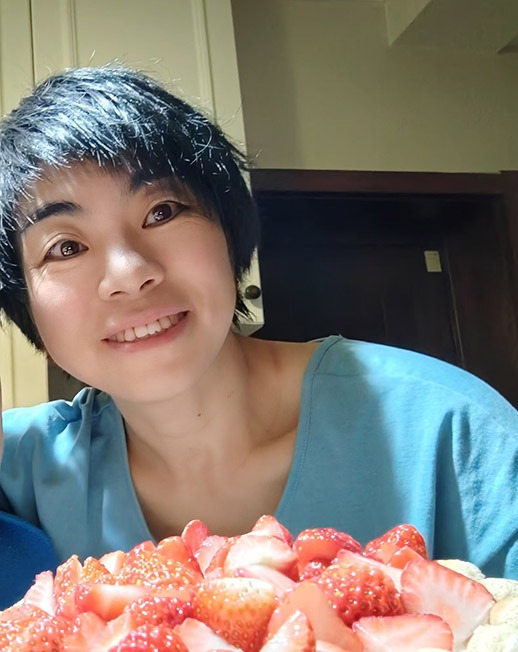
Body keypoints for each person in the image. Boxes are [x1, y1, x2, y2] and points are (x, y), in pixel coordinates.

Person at [0, 67, 516, 609]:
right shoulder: (27, 466)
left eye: (162, 211)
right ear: (23, 304)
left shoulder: (448, 430)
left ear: (229, 231)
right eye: (65, 248)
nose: (130, 274)